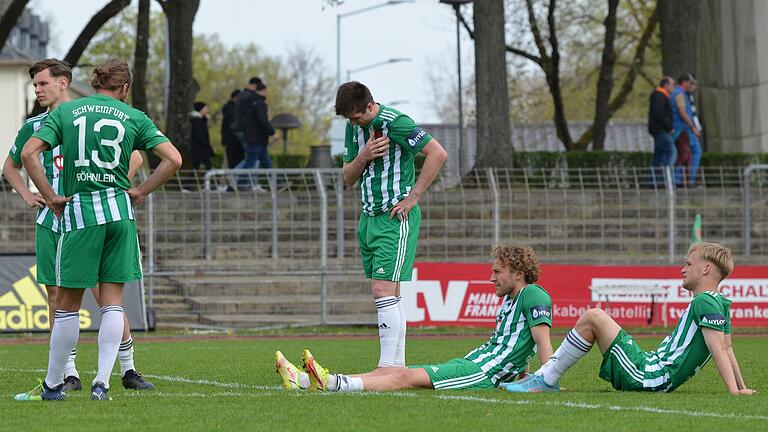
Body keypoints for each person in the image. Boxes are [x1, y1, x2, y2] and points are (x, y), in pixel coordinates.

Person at [20, 58, 182, 401]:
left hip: (80, 215)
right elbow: (174, 159)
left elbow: (29, 152)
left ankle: (53, 385)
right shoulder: (135, 117)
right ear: (124, 88)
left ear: (95, 83)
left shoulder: (68, 112)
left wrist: (49, 196)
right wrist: (140, 190)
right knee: (112, 304)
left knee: (65, 305)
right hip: (120, 215)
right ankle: (103, 382)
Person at [275, 245, 553, 392]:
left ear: (518, 273)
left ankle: (334, 384)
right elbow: (517, 346)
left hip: (481, 372)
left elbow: (542, 343)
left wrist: (545, 380)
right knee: (396, 373)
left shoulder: (533, 295)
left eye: (497, 272)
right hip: (474, 364)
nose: (491, 278)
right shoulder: (510, 300)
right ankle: (302, 380)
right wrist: (520, 376)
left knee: (403, 377)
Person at [506, 242, 755, 395]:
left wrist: (734, 391)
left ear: (706, 269)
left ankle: (545, 378)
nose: (683, 269)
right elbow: (727, 347)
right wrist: (741, 388)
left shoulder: (704, 300)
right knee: (595, 318)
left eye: (688, 264)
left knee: (593, 316)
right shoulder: (720, 301)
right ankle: (545, 377)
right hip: (653, 370)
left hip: (651, 374)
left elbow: (720, 349)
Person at [336, 81, 447, 369]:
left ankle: (386, 368)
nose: (354, 122)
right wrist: (365, 155)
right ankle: (396, 366)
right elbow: (348, 177)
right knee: (390, 293)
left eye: (358, 117)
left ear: (370, 107)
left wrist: (413, 197)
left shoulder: (396, 123)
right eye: (350, 119)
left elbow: (437, 153)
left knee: (382, 291)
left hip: (394, 217)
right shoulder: (353, 127)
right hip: (368, 218)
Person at [234, 77, 275, 190]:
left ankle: (277, 183)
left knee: (264, 162)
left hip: (253, 136)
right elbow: (262, 120)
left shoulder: (245, 97)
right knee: (251, 162)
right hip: (254, 136)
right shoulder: (255, 101)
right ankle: (240, 183)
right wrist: (272, 132)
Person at [670, 73, 702, 187]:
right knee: (693, 152)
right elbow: (682, 112)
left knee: (682, 153)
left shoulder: (681, 94)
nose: (693, 86)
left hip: (682, 129)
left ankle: (679, 180)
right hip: (682, 129)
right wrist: (693, 127)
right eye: (692, 83)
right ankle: (686, 180)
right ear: (685, 82)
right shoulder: (679, 94)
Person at [647, 76, 676, 187]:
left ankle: (653, 182)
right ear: (666, 85)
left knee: (658, 156)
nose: (673, 87)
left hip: (658, 130)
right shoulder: (659, 96)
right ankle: (666, 179)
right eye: (672, 85)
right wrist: (669, 127)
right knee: (672, 151)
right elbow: (658, 114)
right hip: (661, 130)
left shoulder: (660, 96)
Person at [221, 89, 243, 168]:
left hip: (230, 141)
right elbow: (233, 126)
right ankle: (228, 180)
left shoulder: (230, 108)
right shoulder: (232, 110)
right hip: (232, 141)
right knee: (230, 163)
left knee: (228, 163)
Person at [190, 101, 213, 171]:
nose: (207, 110)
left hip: (200, 148)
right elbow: (199, 136)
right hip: (200, 148)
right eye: (205, 108)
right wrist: (207, 145)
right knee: (205, 165)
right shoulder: (198, 121)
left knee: (196, 166)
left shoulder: (201, 120)